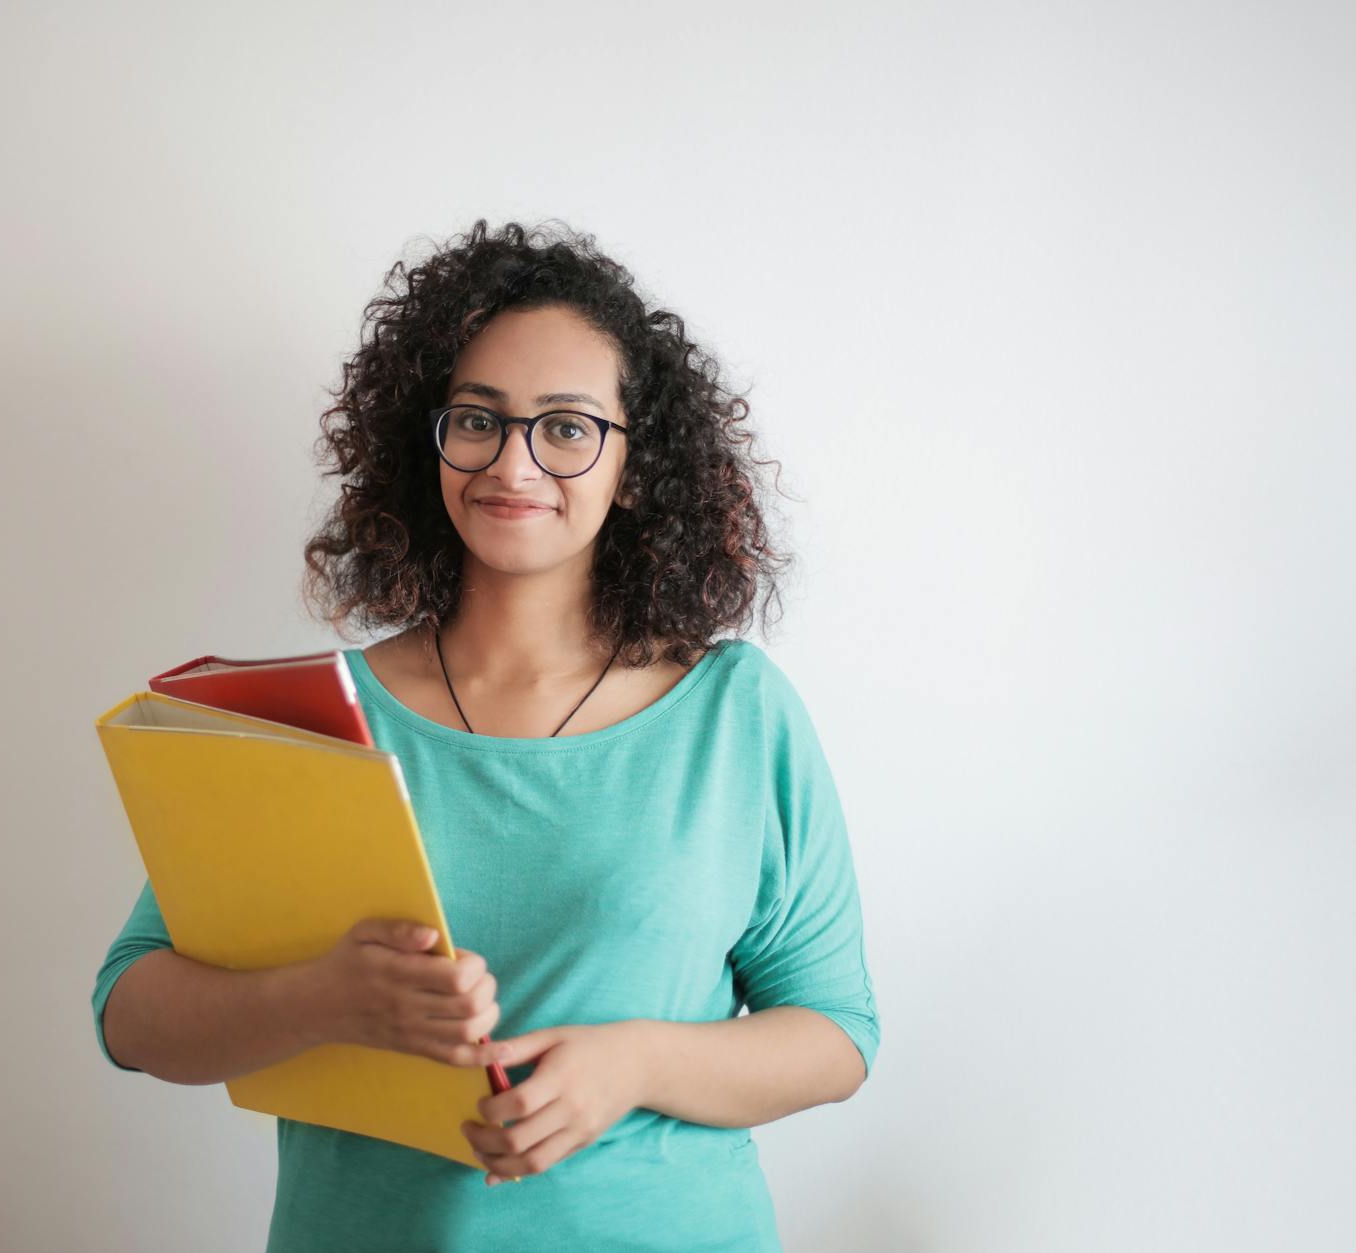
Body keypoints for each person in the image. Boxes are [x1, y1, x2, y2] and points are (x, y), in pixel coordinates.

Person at [92, 218, 879, 1251]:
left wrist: (636, 1062)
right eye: (477, 418)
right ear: (427, 443)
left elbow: (835, 1034)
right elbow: (130, 1013)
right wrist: (322, 997)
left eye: (565, 425)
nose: (513, 462)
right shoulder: (309, 719)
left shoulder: (734, 712)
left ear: (635, 465)